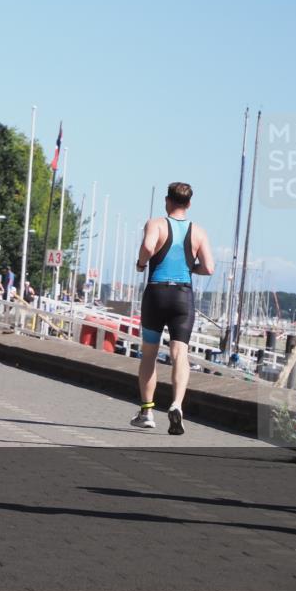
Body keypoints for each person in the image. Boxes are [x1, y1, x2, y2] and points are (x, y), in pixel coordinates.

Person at [129, 182, 214, 435]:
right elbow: (209, 268)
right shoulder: (198, 231)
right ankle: (176, 404)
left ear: (167, 201)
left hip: (156, 293)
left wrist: (141, 264)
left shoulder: (155, 224)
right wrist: (191, 269)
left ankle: (146, 411)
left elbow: (147, 247)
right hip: (182, 296)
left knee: (150, 353)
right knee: (180, 354)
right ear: (188, 204)